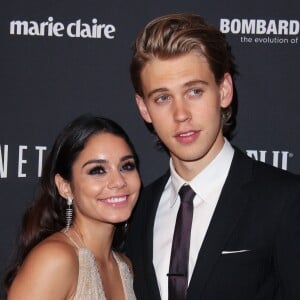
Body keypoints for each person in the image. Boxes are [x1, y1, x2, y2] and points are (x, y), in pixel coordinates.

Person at [125, 13, 300, 299]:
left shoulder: (285, 200)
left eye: (194, 91)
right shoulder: (137, 210)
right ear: (144, 109)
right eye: (163, 98)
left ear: (224, 90)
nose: (181, 114)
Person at [5, 114, 141, 299]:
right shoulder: (55, 259)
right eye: (98, 170)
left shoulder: (125, 266)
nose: (118, 182)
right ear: (65, 187)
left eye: (126, 166)